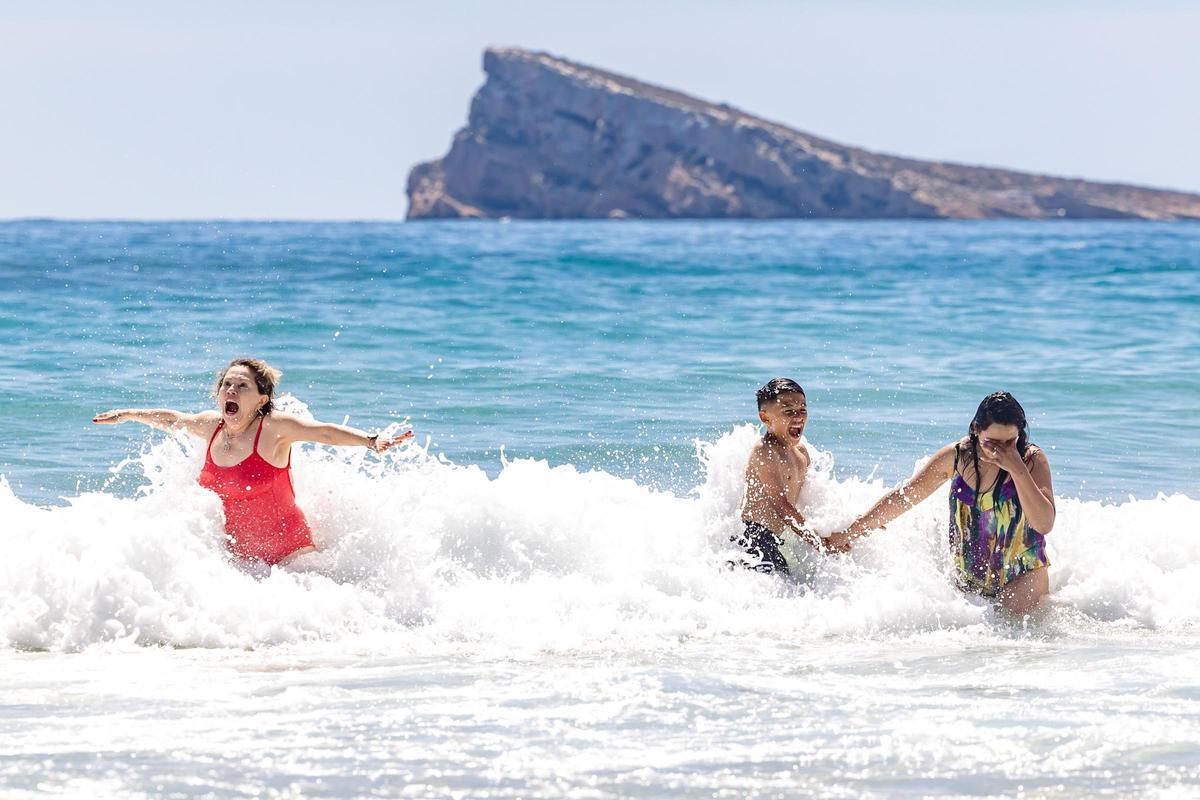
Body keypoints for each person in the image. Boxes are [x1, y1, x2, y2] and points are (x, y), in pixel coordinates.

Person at [93, 357, 412, 567]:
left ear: (261, 399)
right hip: (239, 565)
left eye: (242, 386)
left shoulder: (273, 430)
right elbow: (175, 419)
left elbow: (324, 433)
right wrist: (128, 415)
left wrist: (371, 442)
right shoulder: (211, 426)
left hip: (293, 560)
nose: (231, 390)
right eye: (226, 385)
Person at [827, 392, 1054, 613]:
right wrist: (850, 533)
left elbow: (1044, 524)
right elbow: (905, 497)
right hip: (968, 577)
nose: (1002, 452)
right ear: (976, 430)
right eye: (993, 443)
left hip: (1022, 574)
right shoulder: (957, 456)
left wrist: (1017, 468)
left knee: (1008, 632)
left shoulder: (1031, 460)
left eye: (1010, 442)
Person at [733, 378, 824, 576]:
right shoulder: (764, 451)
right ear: (765, 418)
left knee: (788, 588)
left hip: (774, 540)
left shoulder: (801, 453)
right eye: (788, 411)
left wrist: (840, 523)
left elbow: (813, 498)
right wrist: (817, 540)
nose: (798, 417)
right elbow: (781, 505)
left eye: (802, 410)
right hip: (752, 538)